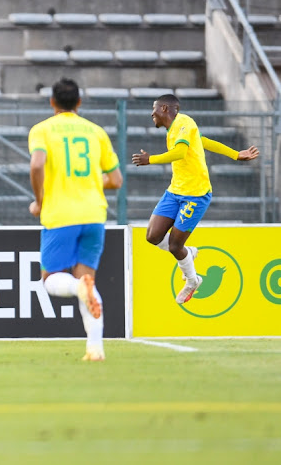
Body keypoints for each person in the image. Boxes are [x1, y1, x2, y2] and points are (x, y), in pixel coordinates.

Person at [132, 94, 259, 303]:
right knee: (152, 236)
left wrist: (151, 160)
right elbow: (205, 142)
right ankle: (188, 253)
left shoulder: (184, 122)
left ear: (165, 108)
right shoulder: (174, 129)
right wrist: (236, 154)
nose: (151, 113)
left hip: (195, 195)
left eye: (154, 108)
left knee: (174, 246)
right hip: (175, 191)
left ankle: (192, 281)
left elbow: (180, 152)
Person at [28, 78, 123, 362]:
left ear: (52, 103)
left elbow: (36, 164)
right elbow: (116, 180)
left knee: (51, 281)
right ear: (79, 102)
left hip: (60, 215)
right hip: (95, 214)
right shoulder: (96, 132)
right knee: (87, 280)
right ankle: (95, 350)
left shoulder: (42, 130)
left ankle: (78, 288)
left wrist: (40, 200)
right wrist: (92, 183)